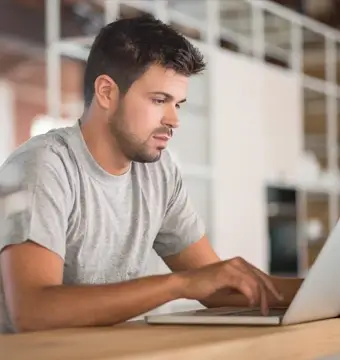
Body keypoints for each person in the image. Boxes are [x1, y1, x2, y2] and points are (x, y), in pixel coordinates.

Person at [0, 15, 302, 333]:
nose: (174, 120)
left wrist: (321, 292)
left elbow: (219, 285)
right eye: (159, 100)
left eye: (178, 104)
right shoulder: (44, 166)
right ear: (106, 92)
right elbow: (34, 312)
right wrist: (180, 284)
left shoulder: (159, 172)